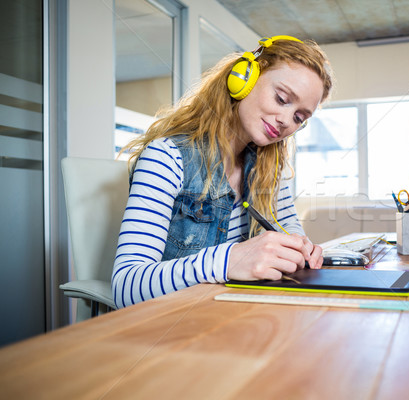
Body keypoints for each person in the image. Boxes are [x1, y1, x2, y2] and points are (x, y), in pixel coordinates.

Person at [112, 35, 333, 308]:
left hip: (231, 317)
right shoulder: (167, 157)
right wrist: (230, 260)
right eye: (281, 98)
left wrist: (300, 249)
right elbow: (126, 287)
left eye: (300, 118)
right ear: (244, 78)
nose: (287, 121)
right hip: (169, 328)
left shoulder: (268, 168)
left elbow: (289, 230)